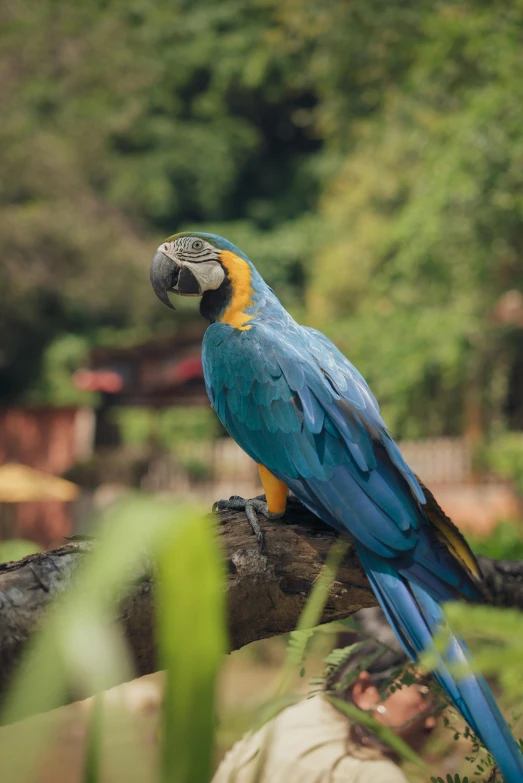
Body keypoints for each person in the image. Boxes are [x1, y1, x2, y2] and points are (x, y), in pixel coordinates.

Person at [213, 609, 443, 783]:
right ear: (364, 692)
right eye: (424, 692)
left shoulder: (295, 717)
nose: (433, 720)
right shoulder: (372, 775)